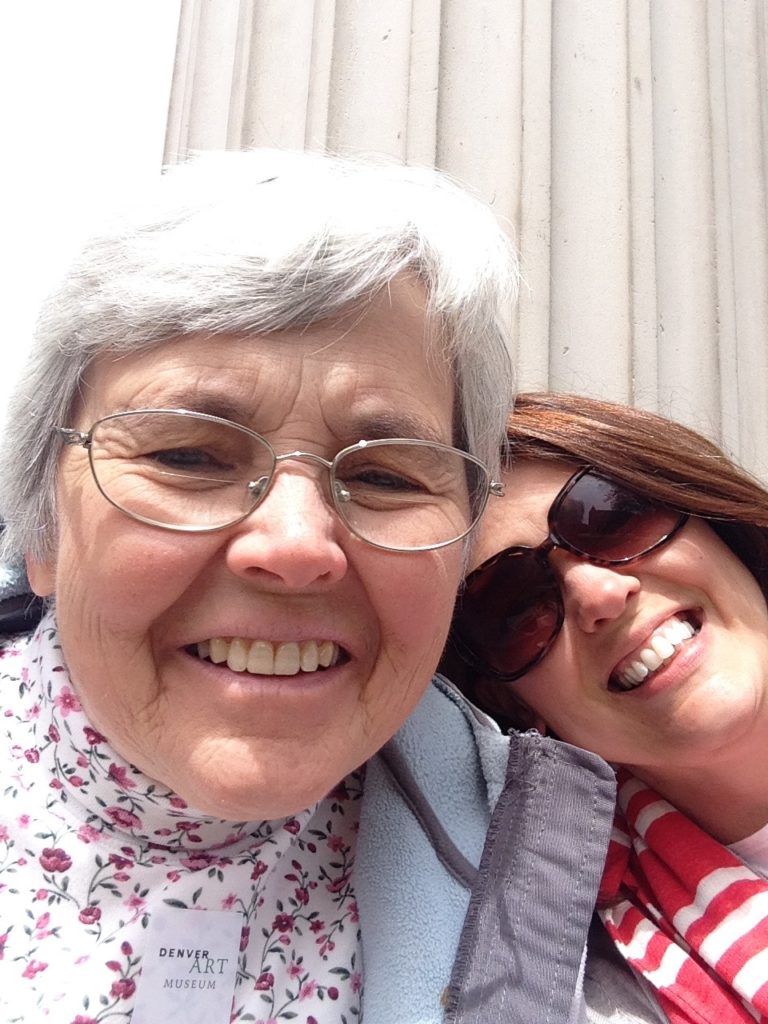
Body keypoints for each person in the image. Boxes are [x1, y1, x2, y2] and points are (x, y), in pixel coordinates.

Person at [0, 153, 619, 1024]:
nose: (295, 546)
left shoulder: (564, 868)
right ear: (43, 532)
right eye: (187, 455)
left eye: (391, 478)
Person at [445, 390, 768, 1024]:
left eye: (615, 517)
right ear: (512, 702)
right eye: (513, 608)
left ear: (713, 523)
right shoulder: (571, 982)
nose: (601, 593)